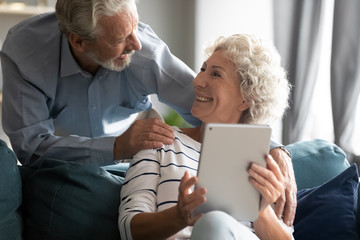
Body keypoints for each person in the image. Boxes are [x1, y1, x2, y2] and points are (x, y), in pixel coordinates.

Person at [0, 0, 296, 225]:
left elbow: (211, 107)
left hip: (130, 166)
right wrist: (116, 146)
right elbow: (32, 147)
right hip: (59, 169)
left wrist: (275, 150)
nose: (136, 43)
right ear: (79, 41)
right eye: (120, 39)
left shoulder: (144, 52)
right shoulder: (25, 53)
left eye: (135, 27)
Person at [119, 34, 294, 240]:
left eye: (216, 75)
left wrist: (261, 211)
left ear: (246, 98)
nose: (198, 81)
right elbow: (129, 230)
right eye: (202, 70)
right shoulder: (160, 141)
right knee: (213, 222)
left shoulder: (264, 165)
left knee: (215, 222)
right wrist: (178, 216)